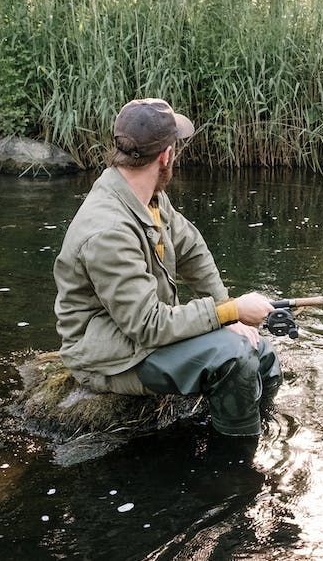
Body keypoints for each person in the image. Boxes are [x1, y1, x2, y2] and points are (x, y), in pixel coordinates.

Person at [53, 98, 282, 437]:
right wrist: (228, 310)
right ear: (166, 155)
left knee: (262, 352)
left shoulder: (149, 197)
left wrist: (232, 317)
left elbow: (192, 249)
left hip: (141, 338)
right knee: (235, 359)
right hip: (108, 356)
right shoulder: (108, 230)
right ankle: (236, 466)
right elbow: (147, 325)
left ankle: (259, 431)